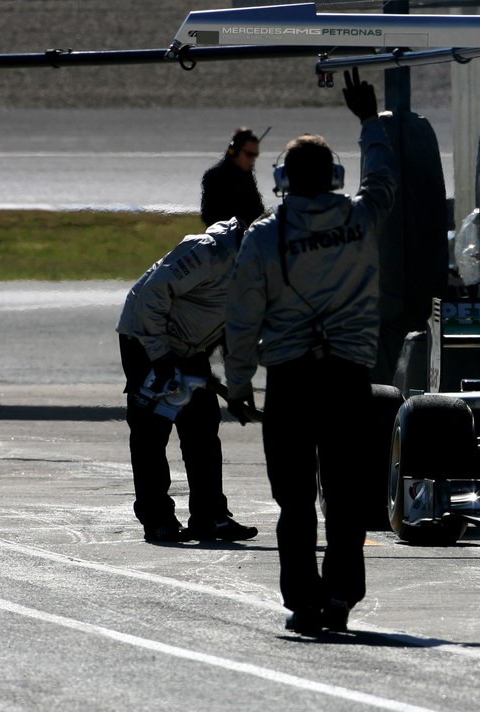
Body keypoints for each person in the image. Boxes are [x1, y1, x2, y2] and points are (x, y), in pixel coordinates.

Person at [223, 68, 396, 635]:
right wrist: (370, 121)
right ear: (332, 177)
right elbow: (386, 181)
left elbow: (244, 316)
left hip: (292, 379)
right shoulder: (359, 220)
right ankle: (341, 597)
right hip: (348, 377)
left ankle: (303, 601)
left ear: (284, 180)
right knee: (345, 498)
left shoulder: (264, 236)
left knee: (294, 500)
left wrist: (240, 382)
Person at [116, 217, 258, 544]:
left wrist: (238, 388)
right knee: (152, 431)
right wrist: (160, 357)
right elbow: (151, 295)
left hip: (189, 346)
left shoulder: (258, 267)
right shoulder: (206, 252)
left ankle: (210, 516)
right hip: (146, 339)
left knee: (202, 428)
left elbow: (238, 330)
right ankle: (158, 519)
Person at [200, 127, 266, 229]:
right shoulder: (215, 177)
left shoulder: (247, 176)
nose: (252, 160)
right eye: (249, 155)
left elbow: (257, 210)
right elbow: (209, 216)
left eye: (255, 155)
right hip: (223, 238)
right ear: (235, 151)